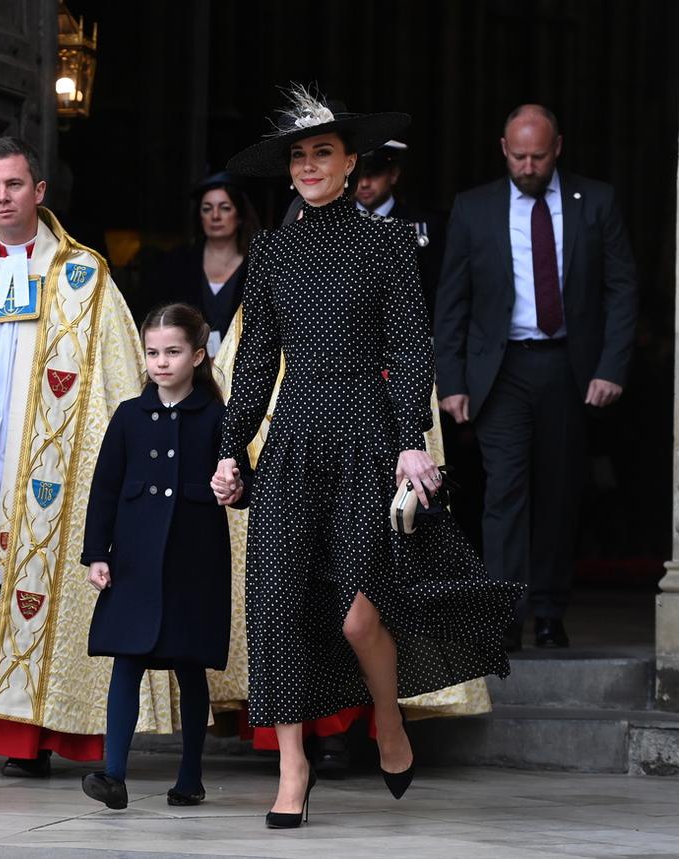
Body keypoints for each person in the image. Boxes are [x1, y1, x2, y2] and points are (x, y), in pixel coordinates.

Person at [213, 86, 520, 829]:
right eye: (300, 156)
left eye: (325, 152)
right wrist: (230, 451)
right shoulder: (272, 251)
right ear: (289, 173)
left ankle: (387, 714)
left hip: (367, 437)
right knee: (278, 608)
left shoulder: (387, 244)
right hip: (290, 441)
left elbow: (412, 346)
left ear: (352, 164)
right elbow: (255, 362)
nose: (311, 165)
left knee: (358, 618)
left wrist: (411, 440)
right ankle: (293, 768)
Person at [0, 137, 171, 777]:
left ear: (40, 191)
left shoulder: (85, 275)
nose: (3, 198)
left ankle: (37, 733)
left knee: (43, 580)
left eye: (15, 185)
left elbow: (119, 379)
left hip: (54, 465)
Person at [435, 105, 638, 651]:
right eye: (519, 155)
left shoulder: (596, 201)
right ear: (503, 148)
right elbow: (452, 301)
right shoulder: (473, 208)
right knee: (505, 493)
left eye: (539, 156)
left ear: (559, 148)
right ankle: (504, 615)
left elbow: (622, 290)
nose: (528, 166)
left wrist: (610, 367)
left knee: (560, 491)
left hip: (569, 366)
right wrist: (451, 380)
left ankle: (550, 611)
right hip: (501, 371)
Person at [79, 303, 251, 810]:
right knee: (126, 660)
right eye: (153, 352)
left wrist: (233, 486)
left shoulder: (220, 418)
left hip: (194, 560)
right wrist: (97, 554)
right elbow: (104, 488)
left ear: (198, 355)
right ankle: (113, 774)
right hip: (132, 558)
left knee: (189, 664)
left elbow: (241, 485)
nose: (161, 362)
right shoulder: (129, 416)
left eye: (173, 351)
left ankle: (190, 774)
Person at [151, 173, 260, 355]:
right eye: (207, 209)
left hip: (243, 368)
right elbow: (159, 318)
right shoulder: (178, 263)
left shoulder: (258, 266)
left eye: (225, 208)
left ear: (240, 215)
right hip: (187, 369)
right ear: (199, 216)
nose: (215, 216)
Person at [353, 141, 445, 319]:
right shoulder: (337, 222)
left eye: (374, 175)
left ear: (393, 175)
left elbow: (437, 291)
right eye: (358, 176)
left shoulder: (426, 225)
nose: (364, 183)